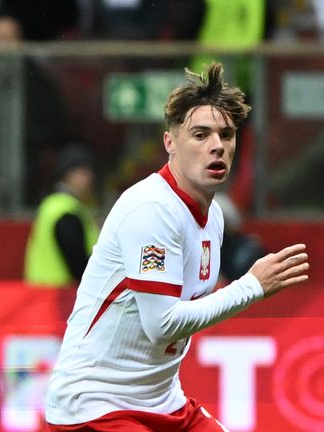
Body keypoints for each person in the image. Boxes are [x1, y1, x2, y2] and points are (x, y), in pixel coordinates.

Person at [44, 62, 309, 431]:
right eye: (200, 135)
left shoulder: (213, 216)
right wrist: (251, 286)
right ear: (170, 142)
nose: (217, 145)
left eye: (226, 135)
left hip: (163, 401)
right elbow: (163, 324)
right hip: (95, 406)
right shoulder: (152, 209)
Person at [23, 146, 99, 288]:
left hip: (39, 295)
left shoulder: (51, 205)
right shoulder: (66, 211)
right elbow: (78, 265)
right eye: (83, 172)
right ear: (68, 175)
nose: (89, 178)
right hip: (61, 296)